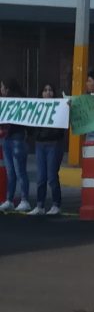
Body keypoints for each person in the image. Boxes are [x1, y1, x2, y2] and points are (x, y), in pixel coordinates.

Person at [29, 83, 63, 216]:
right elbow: (31, 127)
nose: (48, 93)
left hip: (54, 143)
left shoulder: (60, 107)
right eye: (45, 90)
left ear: (54, 93)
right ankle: (40, 205)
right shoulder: (36, 108)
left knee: (52, 176)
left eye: (50, 90)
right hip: (40, 144)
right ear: (41, 93)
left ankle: (56, 205)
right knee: (41, 177)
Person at [0, 78, 32, 212]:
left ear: (8, 88)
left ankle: (24, 200)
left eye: (2, 87)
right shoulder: (5, 102)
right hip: (8, 138)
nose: (1, 90)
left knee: (19, 171)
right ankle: (9, 200)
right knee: (10, 171)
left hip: (17, 137)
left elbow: (21, 122)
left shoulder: (18, 101)